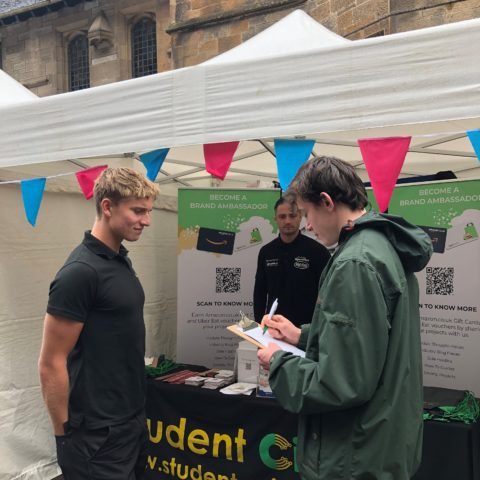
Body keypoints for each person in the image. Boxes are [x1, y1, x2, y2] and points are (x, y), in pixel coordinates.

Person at [258, 156, 433, 480]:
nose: (307, 225)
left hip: (354, 454)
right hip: (379, 441)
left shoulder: (354, 262)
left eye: (307, 213)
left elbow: (343, 382)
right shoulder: (381, 246)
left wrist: (279, 361)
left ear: (326, 202)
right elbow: (370, 339)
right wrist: (301, 336)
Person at [38, 167, 159, 479]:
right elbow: (51, 361)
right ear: (107, 207)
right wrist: (64, 438)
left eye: (148, 211)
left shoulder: (120, 261)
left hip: (130, 422)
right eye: (138, 211)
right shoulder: (80, 272)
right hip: (96, 436)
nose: (146, 220)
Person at [253, 196, 330, 327]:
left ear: (300, 217)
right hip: (273, 328)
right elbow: (259, 293)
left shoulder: (318, 252)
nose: (287, 221)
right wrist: (259, 325)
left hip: (306, 331)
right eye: (282, 217)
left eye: (292, 216)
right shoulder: (266, 252)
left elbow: (328, 294)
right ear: (275, 219)